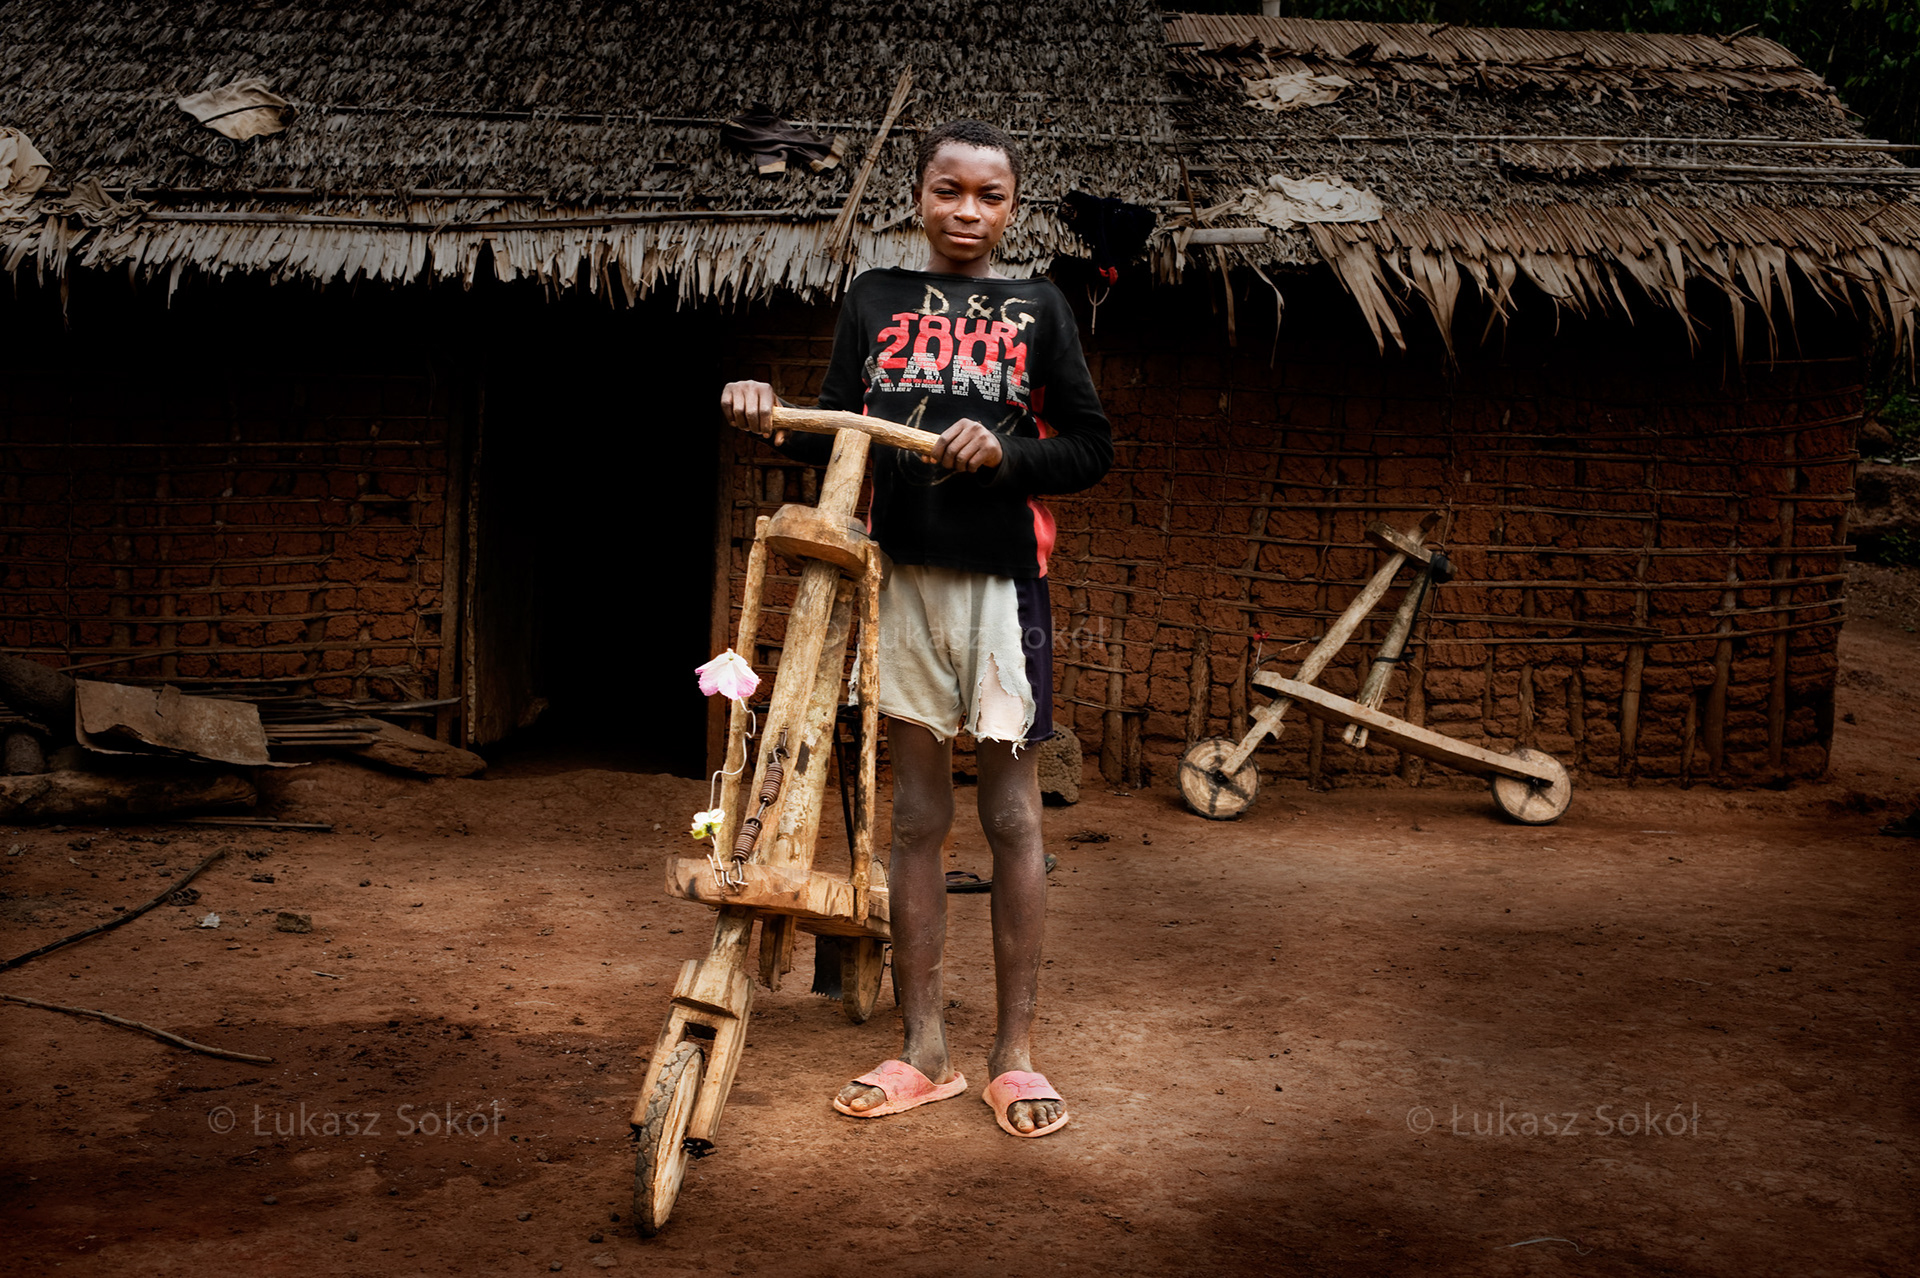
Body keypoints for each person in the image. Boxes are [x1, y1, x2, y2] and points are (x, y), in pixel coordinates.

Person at [718, 119, 1111, 1138]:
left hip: (1000, 585)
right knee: (916, 820)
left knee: (1014, 818)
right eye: (949, 191)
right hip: (898, 578)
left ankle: (1015, 1054)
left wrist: (1007, 453)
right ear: (919, 197)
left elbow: (1091, 448)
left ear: (1013, 207)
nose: (968, 213)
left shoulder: (1041, 308)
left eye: (989, 195)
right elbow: (841, 439)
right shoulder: (874, 299)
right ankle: (922, 1046)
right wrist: (772, 410)